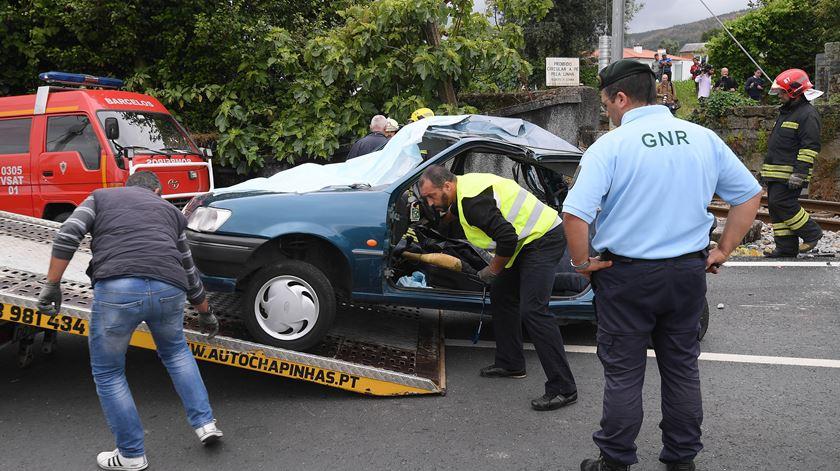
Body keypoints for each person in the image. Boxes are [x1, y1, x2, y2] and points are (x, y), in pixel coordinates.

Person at [564, 60, 761, 471]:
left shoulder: (610, 146)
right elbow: (747, 196)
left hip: (626, 276)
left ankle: (615, 460)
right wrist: (722, 249)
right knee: (682, 368)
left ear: (620, 98)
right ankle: (681, 458)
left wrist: (583, 264)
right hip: (687, 273)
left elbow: (575, 215)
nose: (608, 113)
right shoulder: (702, 138)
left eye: (606, 104)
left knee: (623, 373)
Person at [37, 171, 223, 471]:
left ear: (126, 187)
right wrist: (204, 310)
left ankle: (132, 455)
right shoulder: (171, 212)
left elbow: (68, 233)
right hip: (169, 288)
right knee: (176, 353)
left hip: (118, 288)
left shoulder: (100, 197)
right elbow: (188, 267)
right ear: (158, 191)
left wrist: (52, 284)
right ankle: (206, 425)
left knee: (109, 372)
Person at [418, 165, 577, 411]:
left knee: (533, 310)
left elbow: (506, 238)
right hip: (524, 242)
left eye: (431, 196)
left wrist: (493, 269)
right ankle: (511, 363)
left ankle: (563, 388)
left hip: (543, 237)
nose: (430, 202)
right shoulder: (463, 191)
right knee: (501, 295)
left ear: (447, 186)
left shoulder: (472, 202)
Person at [760, 68, 824, 257]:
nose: (779, 95)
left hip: (791, 173)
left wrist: (800, 173)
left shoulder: (807, 114)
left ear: (794, 92)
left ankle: (812, 232)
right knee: (774, 206)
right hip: (776, 172)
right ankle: (786, 248)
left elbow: (810, 147)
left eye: (782, 92)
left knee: (782, 203)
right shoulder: (786, 112)